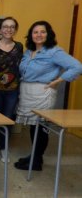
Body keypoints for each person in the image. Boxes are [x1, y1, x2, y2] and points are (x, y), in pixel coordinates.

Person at [14, 21, 82, 171]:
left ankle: (36, 161)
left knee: (41, 127)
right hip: (27, 92)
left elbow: (77, 66)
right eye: (35, 32)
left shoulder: (54, 52)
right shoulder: (28, 51)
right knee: (33, 127)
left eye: (42, 32)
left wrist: (58, 80)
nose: (39, 35)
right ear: (31, 35)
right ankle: (35, 156)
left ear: (48, 34)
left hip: (42, 92)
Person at [0, 17, 23, 163]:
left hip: (12, 90)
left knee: (7, 119)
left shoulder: (19, 46)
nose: (8, 29)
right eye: (5, 27)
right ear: (0, 30)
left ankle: (3, 147)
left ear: (15, 29)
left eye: (12, 27)